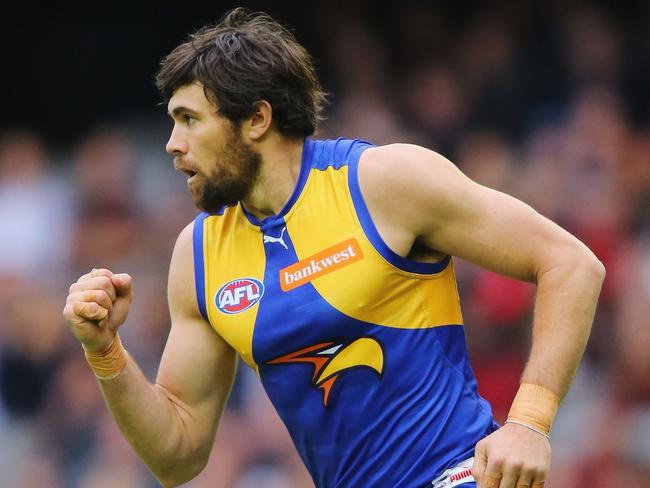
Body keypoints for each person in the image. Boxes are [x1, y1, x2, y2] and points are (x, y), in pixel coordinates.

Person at [62, 8, 605, 488]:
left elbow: (571, 263)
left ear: (256, 119)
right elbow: (177, 457)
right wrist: (105, 350)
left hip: (457, 473)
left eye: (189, 120)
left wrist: (530, 423)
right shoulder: (199, 256)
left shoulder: (384, 182)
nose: (172, 144)